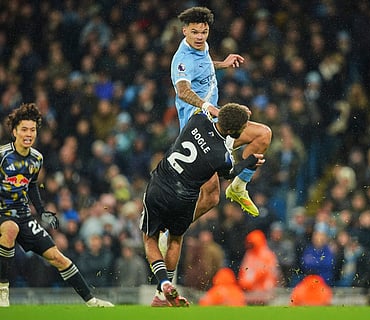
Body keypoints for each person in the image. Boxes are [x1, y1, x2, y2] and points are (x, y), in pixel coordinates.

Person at [140, 103, 264, 307]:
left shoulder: (197, 120)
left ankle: (163, 283)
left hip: (161, 186)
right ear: (234, 132)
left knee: (149, 238)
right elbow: (229, 173)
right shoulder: (221, 156)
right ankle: (163, 293)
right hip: (184, 199)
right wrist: (249, 161)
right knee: (175, 240)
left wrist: (232, 112)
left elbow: (208, 109)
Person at [0, 103, 113, 307]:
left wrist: (42, 212)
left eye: (32, 130)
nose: (28, 134)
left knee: (57, 257)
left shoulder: (37, 159)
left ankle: (91, 300)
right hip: (2, 214)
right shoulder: (2, 156)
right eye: (24, 129)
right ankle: (2, 291)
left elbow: (32, 185)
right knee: (10, 228)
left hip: (24, 216)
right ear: (14, 131)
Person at [171, 6, 272, 218]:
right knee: (211, 198)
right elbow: (182, 91)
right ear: (184, 31)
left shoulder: (201, 49)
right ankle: (174, 228)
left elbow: (202, 67)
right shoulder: (182, 60)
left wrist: (222, 64)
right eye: (195, 32)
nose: (200, 37)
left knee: (263, 134)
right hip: (197, 133)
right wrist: (208, 106)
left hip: (215, 123)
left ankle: (238, 188)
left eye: (204, 32)